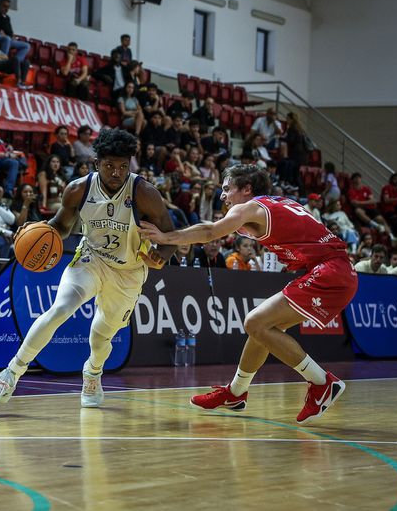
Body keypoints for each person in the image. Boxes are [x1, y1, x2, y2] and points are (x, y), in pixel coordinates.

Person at [138, 164, 357, 424]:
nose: (223, 196)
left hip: (329, 271)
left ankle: (322, 383)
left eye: (227, 188)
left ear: (247, 189)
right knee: (261, 329)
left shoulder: (250, 207)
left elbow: (210, 232)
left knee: (255, 322)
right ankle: (236, 393)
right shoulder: (277, 203)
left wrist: (165, 237)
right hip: (336, 270)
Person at [0, 128, 175, 408]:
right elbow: (60, 226)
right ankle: (8, 377)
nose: (117, 172)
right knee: (60, 309)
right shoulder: (78, 189)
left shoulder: (144, 193)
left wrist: (161, 256)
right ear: (96, 164)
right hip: (90, 259)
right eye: (109, 166)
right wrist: (37, 231)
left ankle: (93, 372)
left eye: (122, 166)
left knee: (101, 334)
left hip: (129, 271)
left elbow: (170, 236)